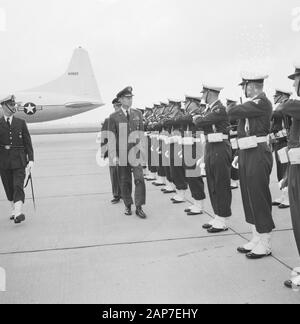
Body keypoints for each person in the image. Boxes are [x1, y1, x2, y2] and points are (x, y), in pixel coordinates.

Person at [228, 73, 274, 259]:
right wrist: (239, 153)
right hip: (247, 152)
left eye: (245, 86)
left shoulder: (262, 102)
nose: (243, 90)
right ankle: (256, 236)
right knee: (248, 195)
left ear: (252, 86)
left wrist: (233, 106)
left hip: (258, 152)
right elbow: (242, 131)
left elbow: (232, 112)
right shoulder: (250, 106)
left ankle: (266, 241)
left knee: (258, 195)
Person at [194, 85, 232, 233]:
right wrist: (200, 119)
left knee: (220, 183)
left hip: (220, 148)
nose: (203, 95)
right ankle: (218, 215)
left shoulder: (219, 108)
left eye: (204, 92)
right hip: (211, 146)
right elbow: (201, 122)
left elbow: (200, 122)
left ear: (210, 93)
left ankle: (223, 218)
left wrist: (199, 119)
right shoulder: (209, 109)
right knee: (212, 183)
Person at [108, 87, 147, 219]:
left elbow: (141, 135)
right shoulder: (113, 117)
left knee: (139, 180)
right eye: (127, 98)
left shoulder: (138, 114)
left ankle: (139, 206)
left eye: (131, 98)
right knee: (125, 181)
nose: (130, 100)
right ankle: (127, 205)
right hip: (122, 155)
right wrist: (114, 157)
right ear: (120, 100)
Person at [278, 64, 300, 289]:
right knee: (297, 220)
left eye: (296, 80)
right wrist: (287, 174)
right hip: (296, 167)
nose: (293, 84)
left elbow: (285, 106)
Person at [0, 95, 34, 224]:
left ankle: (18, 213)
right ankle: (14, 210)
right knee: (9, 188)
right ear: (4, 106)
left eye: (13, 104)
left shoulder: (21, 123)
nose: (13, 106)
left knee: (18, 186)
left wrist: (31, 160)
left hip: (19, 161)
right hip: (3, 162)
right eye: (10, 104)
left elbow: (28, 143)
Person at [270, 89, 292, 209]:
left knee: (285, 170)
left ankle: (288, 197)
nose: (274, 97)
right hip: (278, 143)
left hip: (284, 143)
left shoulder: (285, 108)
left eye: (276, 96)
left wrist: (278, 135)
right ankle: (283, 195)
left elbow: (288, 127)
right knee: (280, 170)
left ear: (283, 96)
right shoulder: (280, 108)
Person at [101, 98, 122, 204]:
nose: (117, 108)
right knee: (114, 174)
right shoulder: (108, 120)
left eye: (119, 106)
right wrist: (104, 151)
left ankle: (124, 193)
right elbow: (104, 136)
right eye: (116, 106)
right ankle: (117, 195)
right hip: (113, 152)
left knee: (124, 174)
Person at [226, 98, 240, 190]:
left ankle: (235, 181)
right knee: (231, 159)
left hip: (235, 139)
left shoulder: (235, 115)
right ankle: (233, 180)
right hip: (231, 140)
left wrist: (231, 131)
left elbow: (238, 128)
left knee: (234, 160)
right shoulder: (230, 114)